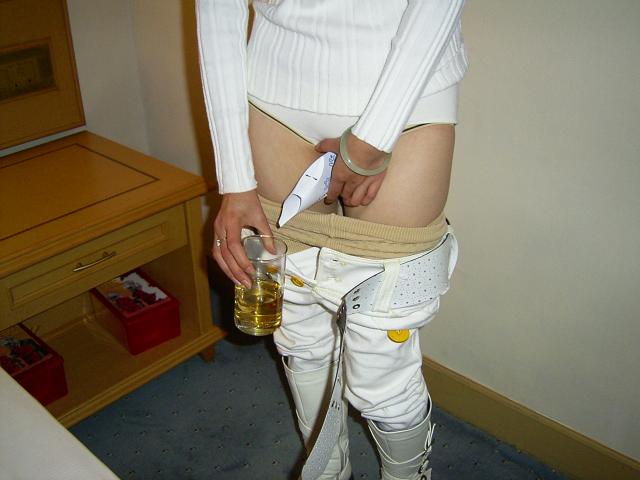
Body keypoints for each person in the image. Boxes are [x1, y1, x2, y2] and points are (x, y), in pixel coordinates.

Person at [196, 1, 468, 478]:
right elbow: (218, 13)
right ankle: (327, 470)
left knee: (382, 370)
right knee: (299, 336)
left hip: (408, 107)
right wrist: (234, 181)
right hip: (275, 100)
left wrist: (372, 139)